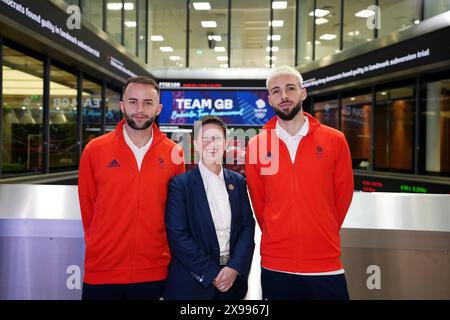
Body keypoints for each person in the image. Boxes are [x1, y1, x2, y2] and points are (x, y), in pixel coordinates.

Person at [245, 66, 354, 300]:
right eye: (276, 91)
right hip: (276, 263)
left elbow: (343, 196)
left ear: (303, 93)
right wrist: (278, 232)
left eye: (290, 88)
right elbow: (259, 202)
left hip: (325, 262)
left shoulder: (335, 140)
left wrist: (322, 230)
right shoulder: (256, 145)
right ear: (270, 99)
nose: (284, 96)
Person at [78, 76, 185, 300]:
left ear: (158, 109)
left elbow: (176, 215)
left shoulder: (174, 153)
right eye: (133, 101)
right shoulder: (95, 150)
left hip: (153, 272)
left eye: (148, 103)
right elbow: (88, 208)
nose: (139, 109)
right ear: (122, 105)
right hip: (102, 271)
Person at [164, 115, 255, 300]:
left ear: (226, 143)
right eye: (205, 139)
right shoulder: (180, 184)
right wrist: (212, 273)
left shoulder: (237, 182)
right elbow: (178, 236)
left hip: (232, 283)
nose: (211, 144)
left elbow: (247, 226)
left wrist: (235, 267)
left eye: (217, 138)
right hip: (193, 285)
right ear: (196, 144)